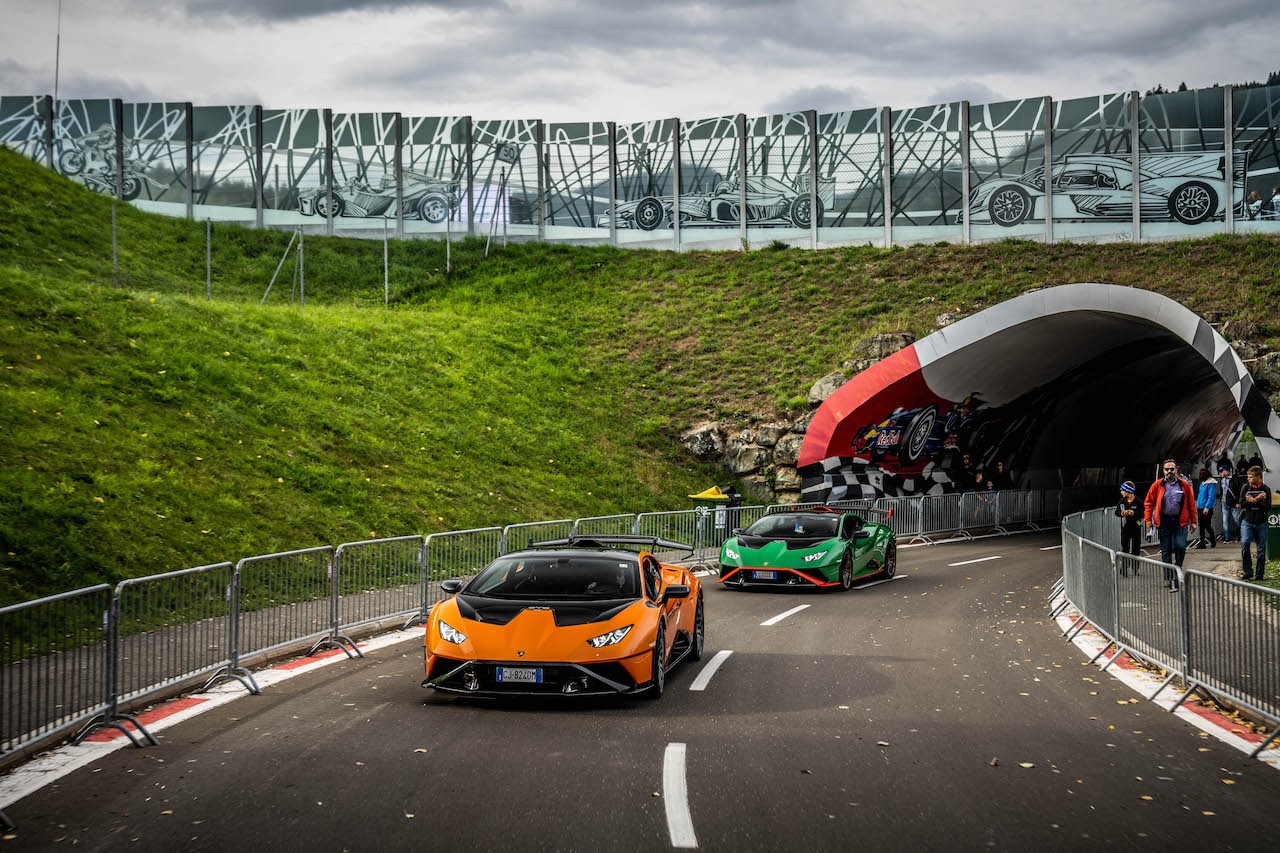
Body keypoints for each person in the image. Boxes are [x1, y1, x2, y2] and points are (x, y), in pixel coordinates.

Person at [1144, 459, 1196, 592]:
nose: (1169, 472)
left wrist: (1194, 521)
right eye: (1167, 469)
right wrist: (1148, 521)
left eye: (1172, 469)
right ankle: (1168, 576)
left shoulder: (1184, 485)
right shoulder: (1157, 485)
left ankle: (1177, 571)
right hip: (1164, 521)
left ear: (1176, 470)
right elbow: (1149, 503)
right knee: (1166, 550)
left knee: (1180, 546)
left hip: (1180, 521)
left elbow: (1191, 503)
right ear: (1163, 471)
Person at [1238, 465, 1272, 582]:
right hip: (1247, 521)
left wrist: (1253, 500)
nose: (1248, 479)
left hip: (1261, 523)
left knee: (1261, 549)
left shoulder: (1266, 489)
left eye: (1251, 477)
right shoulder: (1245, 487)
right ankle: (1248, 571)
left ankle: (1259, 574)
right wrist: (1258, 499)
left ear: (1258, 477)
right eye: (1248, 476)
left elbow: (1267, 507)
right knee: (1245, 544)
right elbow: (1242, 503)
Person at [1115, 481, 1142, 576]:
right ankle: (1124, 569)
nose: (1121, 492)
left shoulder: (1138, 501)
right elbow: (1116, 512)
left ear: (1128, 491)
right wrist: (1122, 513)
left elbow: (1143, 514)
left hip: (1136, 528)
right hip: (1125, 529)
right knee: (1125, 549)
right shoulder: (1121, 501)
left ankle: (1135, 569)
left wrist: (1134, 513)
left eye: (1122, 490)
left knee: (1135, 550)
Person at [1194, 467, 1218, 548]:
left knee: (1207, 524)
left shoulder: (1211, 483)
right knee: (1201, 525)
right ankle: (1202, 541)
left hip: (1207, 507)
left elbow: (1211, 496)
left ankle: (1212, 539)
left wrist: (1207, 507)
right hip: (1200, 506)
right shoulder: (1202, 483)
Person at [1219, 462, 1239, 542]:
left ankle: (1239, 536)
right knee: (1225, 521)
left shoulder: (1234, 479)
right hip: (1225, 503)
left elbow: (1238, 491)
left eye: (1222, 471)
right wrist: (1221, 498)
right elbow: (1221, 490)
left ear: (1227, 471)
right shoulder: (1222, 480)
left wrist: (1238, 502)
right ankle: (1228, 537)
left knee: (1236, 521)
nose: (1221, 473)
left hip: (1234, 503)